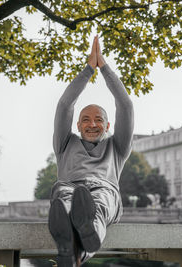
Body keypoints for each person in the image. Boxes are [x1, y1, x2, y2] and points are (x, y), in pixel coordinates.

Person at [48, 35, 134, 267]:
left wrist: (103, 68)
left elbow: (125, 105)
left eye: (99, 120)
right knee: (65, 198)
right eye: (86, 120)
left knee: (101, 203)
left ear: (108, 126)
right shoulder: (65, 143)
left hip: (104, 191)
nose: (92, 124)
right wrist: (88, 69)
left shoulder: (117, 147)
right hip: (70, 187)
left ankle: (86, 230)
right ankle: (72, 253)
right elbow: (65, 105)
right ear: (77, 125)